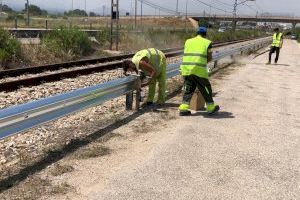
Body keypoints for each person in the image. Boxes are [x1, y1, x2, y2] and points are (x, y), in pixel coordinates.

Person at [179, 26, 220, 116]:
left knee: (188, 88)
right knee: (206, 88)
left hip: (187, 69)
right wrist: (204, 61)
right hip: (199, 70)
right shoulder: (207, 43)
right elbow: (209, 57)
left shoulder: (188, 41)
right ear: (205, 34)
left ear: (196, 33)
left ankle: (183, 108)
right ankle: (210, 107)